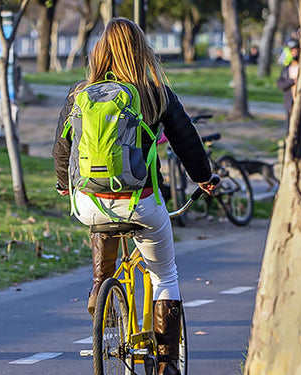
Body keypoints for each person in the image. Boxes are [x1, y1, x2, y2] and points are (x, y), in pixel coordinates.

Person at [52, 18, 218, 375]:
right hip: (140, 201)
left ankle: (101, 285)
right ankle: (167, 364)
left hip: (89, 202)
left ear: (99, 52)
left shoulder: (79, 93)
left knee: (101, 214)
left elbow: (62, 146)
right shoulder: (155, 92)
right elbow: (187, 141)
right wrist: (204, 179)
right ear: (143, 52)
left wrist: (64, 185)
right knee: (166, 276)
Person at [276, 39, 300, 119]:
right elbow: (280, 85)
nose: (295, 53)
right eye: (292, 51)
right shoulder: (286, 70)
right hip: (290, 103)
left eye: (296, 50)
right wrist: (292, 81)